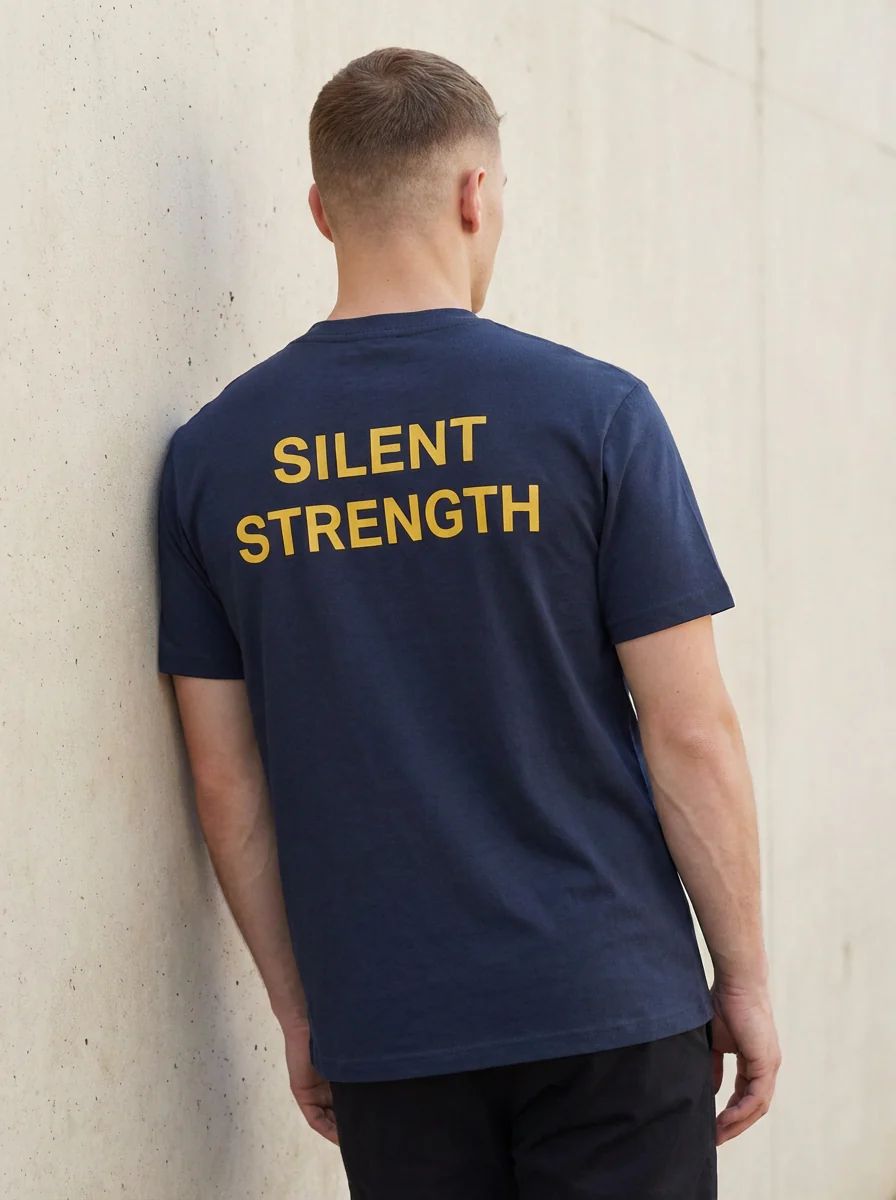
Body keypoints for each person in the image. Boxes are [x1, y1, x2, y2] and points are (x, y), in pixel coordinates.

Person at [155, 45, 781, 1200]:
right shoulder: (595, 416)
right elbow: (689, 730)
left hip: (389, 1024)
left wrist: (300, 1012)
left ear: (320, 210)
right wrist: (739, 974)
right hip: (606, 1001)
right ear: (472, 194)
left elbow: (225, 778)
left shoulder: (211, 460)